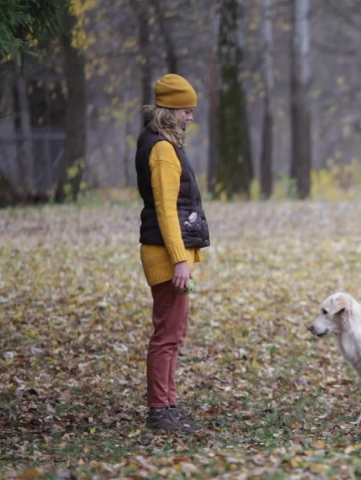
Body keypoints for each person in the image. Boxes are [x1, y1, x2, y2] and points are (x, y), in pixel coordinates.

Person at [135, 73, 210, 431]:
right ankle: (160, 411)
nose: (190, 118)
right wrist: (180, 260)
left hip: (169, 253)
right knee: (167, 335)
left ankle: (168, 405)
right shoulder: (162, 150)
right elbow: (166, 209)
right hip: (166, 256)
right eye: (187, 111)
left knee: (172, 333)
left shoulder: (162, 143)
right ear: (171, 110)